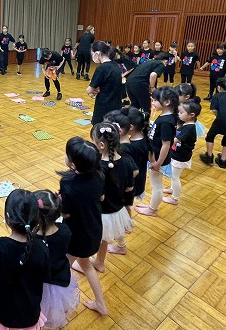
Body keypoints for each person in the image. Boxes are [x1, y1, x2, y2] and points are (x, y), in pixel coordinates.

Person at [0, 189, 51, 329]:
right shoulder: (42, 248)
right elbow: (45, 277)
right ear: (36, 219)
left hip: (3, 314)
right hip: (30, 314)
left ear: (7, 217)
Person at [59, 136, 108, 315]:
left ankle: (61, 305)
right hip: (94, 230)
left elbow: (66, 213)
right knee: (85, 263)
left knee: (62, 268)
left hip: (76, 235)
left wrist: (59, 202)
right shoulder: (99, 174)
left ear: (73, 164)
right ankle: (101, 304)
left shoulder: (68, 183)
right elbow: (101, 197)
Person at [90, 123, 135, 270]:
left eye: (93, 142)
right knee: (117, 227)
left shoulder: (99, 167)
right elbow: (129, 187)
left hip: (105, 212)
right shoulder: (126, 161)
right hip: (119, 208)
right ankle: (122, 247)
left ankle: (99, 262)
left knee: (104, 238)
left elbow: (100, 196)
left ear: (101, 145)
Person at [34, 190, 79, 329]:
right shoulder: (65, 231)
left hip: (39, 282)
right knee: (57, 307)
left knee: (39, 306)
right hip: (59, 278)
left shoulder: (32, 239)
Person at [135, 86, 178, 217]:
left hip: (158, 159)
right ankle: (151, 207)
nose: (152, 102)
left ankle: (152, 209)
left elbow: (166, 144)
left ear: (167, 102)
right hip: (155, 157)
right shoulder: (165, 117)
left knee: (156, 186)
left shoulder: (166, 122)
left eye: (154, 100)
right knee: (156, 184)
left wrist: (158, 163)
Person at [163, 99, 200, 205]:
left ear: (191, 115)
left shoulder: (189, 128)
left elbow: (175, 140)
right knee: (173, 175)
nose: (178, 114)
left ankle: (175, 198)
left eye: (181, 112)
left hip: (181, 157)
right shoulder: (185, 124)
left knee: (175, 177)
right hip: (177, 154)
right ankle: (172, 189)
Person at [87, 41, 123, 124]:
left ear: (97, 53)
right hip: (116, 105)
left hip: (104, 106)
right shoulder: (115, 65)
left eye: (92, 54)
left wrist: (94, 89)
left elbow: (89, 90)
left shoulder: (102, 68)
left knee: (99, 129)